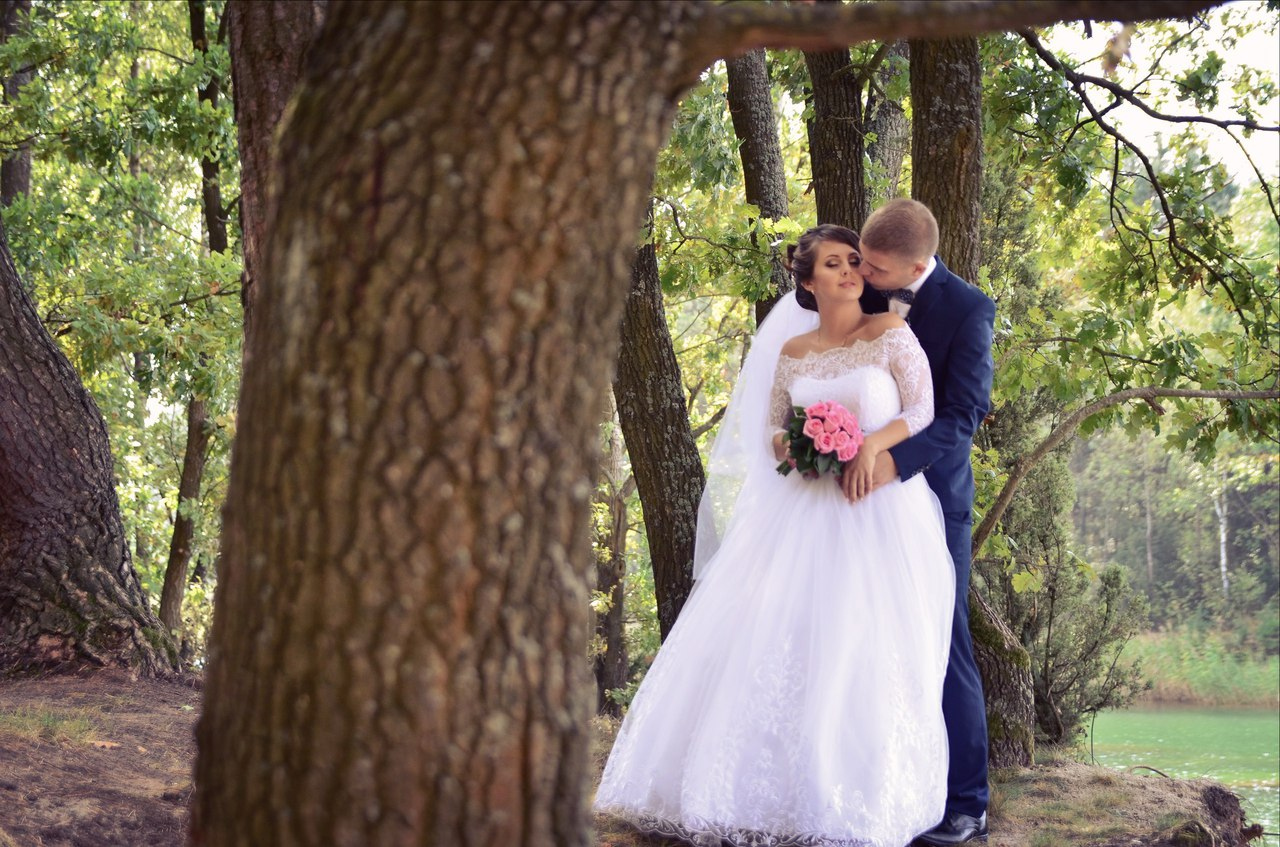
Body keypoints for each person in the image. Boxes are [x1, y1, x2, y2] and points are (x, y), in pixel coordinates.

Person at [593, 224, 957, 847]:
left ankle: (851, 796)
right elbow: (771, 431)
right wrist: (800, 442)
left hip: (872, 504)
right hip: (801, 505)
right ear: (809, 282)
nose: (848, 272)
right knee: (778, 637)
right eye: (834, 265)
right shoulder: (794, 352)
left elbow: (920, 410)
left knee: (859, 640)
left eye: (853, 262)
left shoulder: (891, 334)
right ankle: (753, 791)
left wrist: (868, 443)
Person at [856, 199, 995, 847]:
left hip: (932, 500)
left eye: (877, 267)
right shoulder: (859, 285)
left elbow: (964, 413)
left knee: (946, 642)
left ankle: (968, 803)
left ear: (916, 264)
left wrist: (892, 462)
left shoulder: (969, 309)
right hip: (853, 504)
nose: (866, 274)